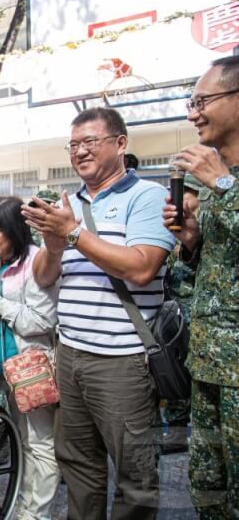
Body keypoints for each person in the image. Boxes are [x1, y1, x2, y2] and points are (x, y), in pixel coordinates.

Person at [23, 107, 174, 520]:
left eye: (90, 141)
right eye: (73, 144)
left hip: (123, 361)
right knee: (79, 465)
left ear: (120, 144)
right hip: (71, 354)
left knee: (134, 473)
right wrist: (53, 245)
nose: (80, 151)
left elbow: (142, 268)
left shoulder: (148, 197)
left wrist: (73, 233)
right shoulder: (67, 202)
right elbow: (42, 278)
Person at [161, 55, 239, 519]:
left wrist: (224, 184)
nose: (193, 114)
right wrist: (190, 242)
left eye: (202, 101)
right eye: (191, 102)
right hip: (210, 362)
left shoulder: (219, 178)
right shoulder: (215, 180)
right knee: (208, 488)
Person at [0, 196, 59, 520]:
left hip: (32, 366)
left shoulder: (36, 262)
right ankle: (22, 507)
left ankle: (37, 513)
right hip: (5, 368)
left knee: (40, 443)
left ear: (15, 230)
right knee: (22, 442)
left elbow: (41, 321)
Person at [159, 174, 205, 456]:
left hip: (198, 317)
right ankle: (177, 431)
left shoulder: (207, 229)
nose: (182, 199)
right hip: (173, 315)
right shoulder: (170, 228)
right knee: (175, 370)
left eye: (189, 193)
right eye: (179, 192)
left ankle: (196, 434)